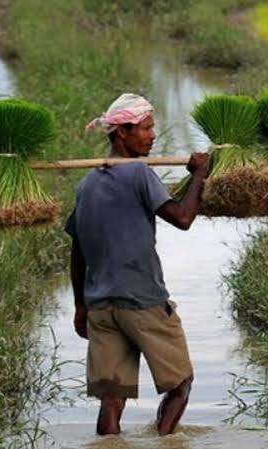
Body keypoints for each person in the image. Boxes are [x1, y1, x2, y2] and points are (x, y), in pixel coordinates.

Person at [66, 93, 210, 436]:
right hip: (142, 301)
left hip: (101, 306)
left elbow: (77, 252)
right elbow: (184, 218)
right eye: (145, 128)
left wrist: (81, 306)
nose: (153, 135)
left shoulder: (87, 186)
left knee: (112, 399)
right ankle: (166, 440)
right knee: (181, 384)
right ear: (122, 134)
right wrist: (201, 175)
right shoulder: (140, 174)